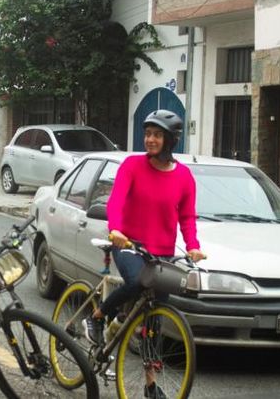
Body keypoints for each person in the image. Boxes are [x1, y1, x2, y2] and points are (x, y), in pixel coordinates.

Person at [82, 109, 205, 399]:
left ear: (171, 140)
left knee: (154, 320)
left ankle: (150, 385)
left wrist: (193, 245)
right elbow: (116, 202)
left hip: (161, 254)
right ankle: (98, 316)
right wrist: (115, 230)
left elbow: (187, 217)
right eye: (148, 133)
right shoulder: (132, 166)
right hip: (128, 244)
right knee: (137, 281)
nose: (150, 139)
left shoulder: (185, 177)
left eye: (157, 135)